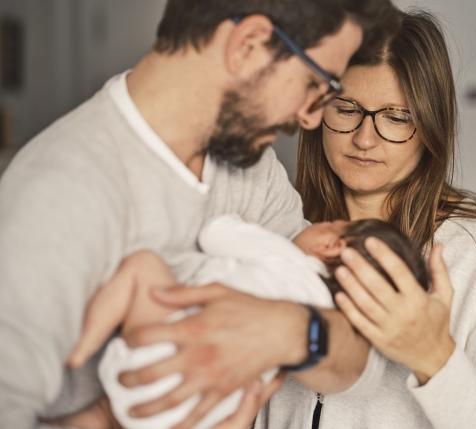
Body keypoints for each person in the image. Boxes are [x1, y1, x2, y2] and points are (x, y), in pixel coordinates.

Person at [0, 1, 400, 428]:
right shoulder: (59, 194)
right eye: (314, 84)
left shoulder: (252, 168)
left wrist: (292, 330)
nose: (310, 118)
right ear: (249, 43)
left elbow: (363, 363)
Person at [256, 10, 476, 428]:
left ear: (430, 127)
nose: (364, 138)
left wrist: (434, 358)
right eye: (347, 108)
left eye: (396, 117)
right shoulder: (281, 231)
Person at [67, 216, 428, 429]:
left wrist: (255, 233)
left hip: (161, 352)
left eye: (330, 222)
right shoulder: (325, 314)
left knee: (143, 265)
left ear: (332, 244)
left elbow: (216, 230)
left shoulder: (284, 257)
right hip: (206, 413)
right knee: (107, 416)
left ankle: (80, 348)